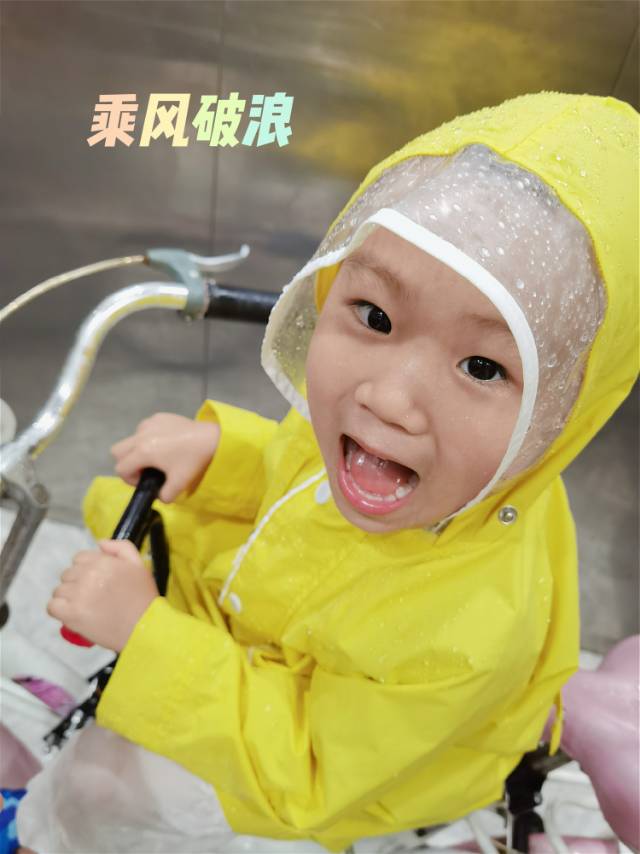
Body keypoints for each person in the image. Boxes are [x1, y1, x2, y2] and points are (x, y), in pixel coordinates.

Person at [7, 91, 638, 853]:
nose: (387, 398)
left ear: (565, 418)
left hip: (325, 771)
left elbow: (305, 769)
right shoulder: (429, 452)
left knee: (101, 786)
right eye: (374, 316)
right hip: (285, 628)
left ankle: (49, 833)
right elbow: (297, 464)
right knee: (126, 509)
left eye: (481, 365)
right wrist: (222, 455)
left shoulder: (466, 633)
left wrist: (147, 641)